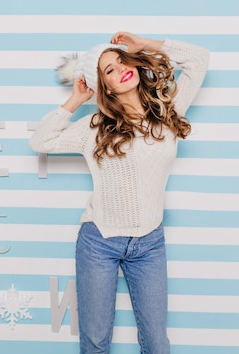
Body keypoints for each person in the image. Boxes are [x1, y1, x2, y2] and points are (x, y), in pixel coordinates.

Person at [29, 32, 210, 354]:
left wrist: (146, 44)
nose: (120, 69)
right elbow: (41, 142)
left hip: (150, 242)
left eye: (121, 60)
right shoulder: (96, 126)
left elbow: (198, 59)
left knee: (156, 342)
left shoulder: (167, 111)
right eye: (108, 70)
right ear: (105, 87)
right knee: (96, 342)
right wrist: (75, 100)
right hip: (99, 241)